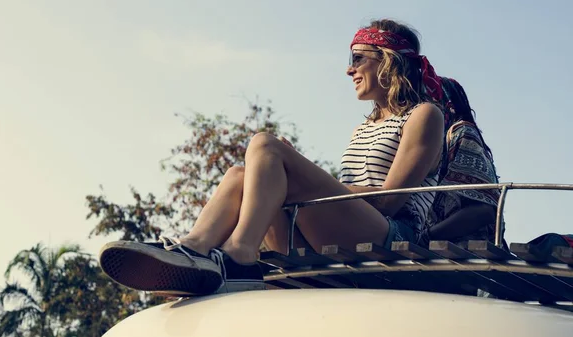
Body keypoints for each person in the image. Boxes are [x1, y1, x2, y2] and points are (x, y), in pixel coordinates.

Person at [98, 19, 446, 296]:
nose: (348, 69)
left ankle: (240, 254)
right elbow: (345, 195)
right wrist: (295, 174)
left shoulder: (424, 115)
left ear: (387, 61)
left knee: (265, 146)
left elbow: (388, 200)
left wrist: (297, 170)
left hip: (391, 238)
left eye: (357, 58)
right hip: (346, 233)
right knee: (241, 174)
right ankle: (195, 248)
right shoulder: (364, 127)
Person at [422, 78, 502, 246]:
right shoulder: (431, 143)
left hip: (470, 251)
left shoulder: (461, 132)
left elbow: (483, 211)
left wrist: (425, 237)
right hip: (439, 250)